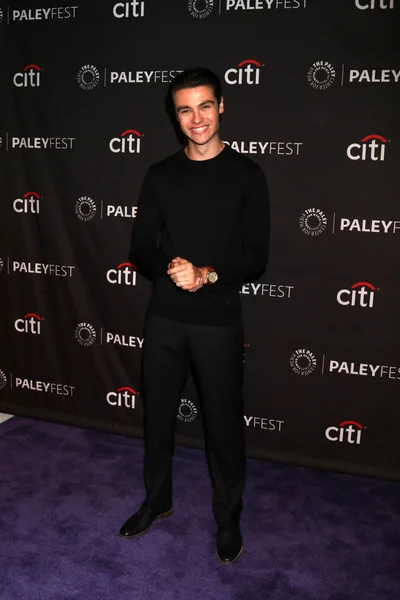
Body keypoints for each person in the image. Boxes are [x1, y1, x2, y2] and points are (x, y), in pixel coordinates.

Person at [118, 67, 270, 565]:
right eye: (186, 109)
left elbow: (256, 256)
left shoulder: (247, 174)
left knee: (223, 425)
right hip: (165, 317)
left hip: (219, 320)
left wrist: (206, 273)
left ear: (221, 105)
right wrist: (170, 266)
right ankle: (156, 501)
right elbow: (140, 248)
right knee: (157, 418)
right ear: (176, 116)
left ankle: (228, 519)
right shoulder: (160, 175)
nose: (197, 118)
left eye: (205, 105)